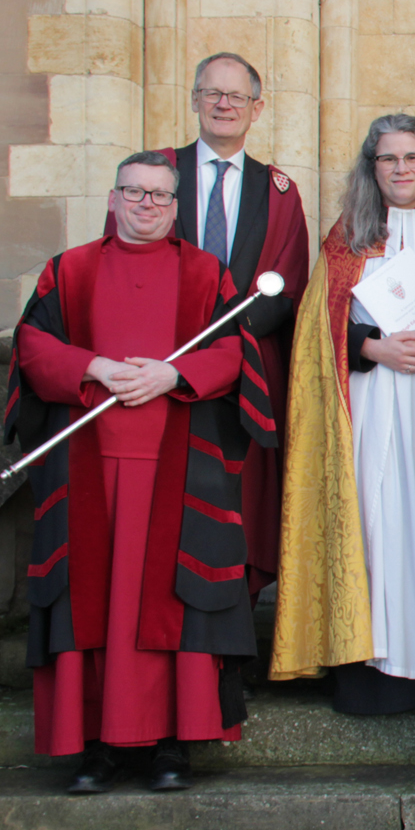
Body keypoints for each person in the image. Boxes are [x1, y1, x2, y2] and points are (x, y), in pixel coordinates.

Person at [8, 151, 274, 793]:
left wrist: (173, 373)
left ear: (177, 207)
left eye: (159, 195)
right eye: (134, 192)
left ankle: (173, 748)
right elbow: (31, 345)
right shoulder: (67, 271)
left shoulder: (205, 273)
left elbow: (236, 349)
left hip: (178, 473)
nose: (146, 204)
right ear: (113, 198)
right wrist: (92, 368)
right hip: (88, 469)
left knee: (169, 605)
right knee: (92, 600)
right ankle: (94, 749)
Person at [272, 114, 415, 715]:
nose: (401, 170)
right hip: (369, 404)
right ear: (372, 169)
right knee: (374, 521)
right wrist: (372, 347)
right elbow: (316, 332)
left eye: (412, 159)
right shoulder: (347, 240)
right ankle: (373, 669)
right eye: (389, 159)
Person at [104, 52, 310, 601]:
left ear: (256, 109)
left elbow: (287, 285)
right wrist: (175, 356)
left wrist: (222, 348)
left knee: (233, 509)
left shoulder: (280, 193)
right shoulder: (153, 178)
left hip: (245, 380)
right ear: (195, 100)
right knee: (164, 512)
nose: (224, 105)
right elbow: (119, 264)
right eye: (213, 94)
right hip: (159, 372)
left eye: (237, 96)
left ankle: (228, 640)